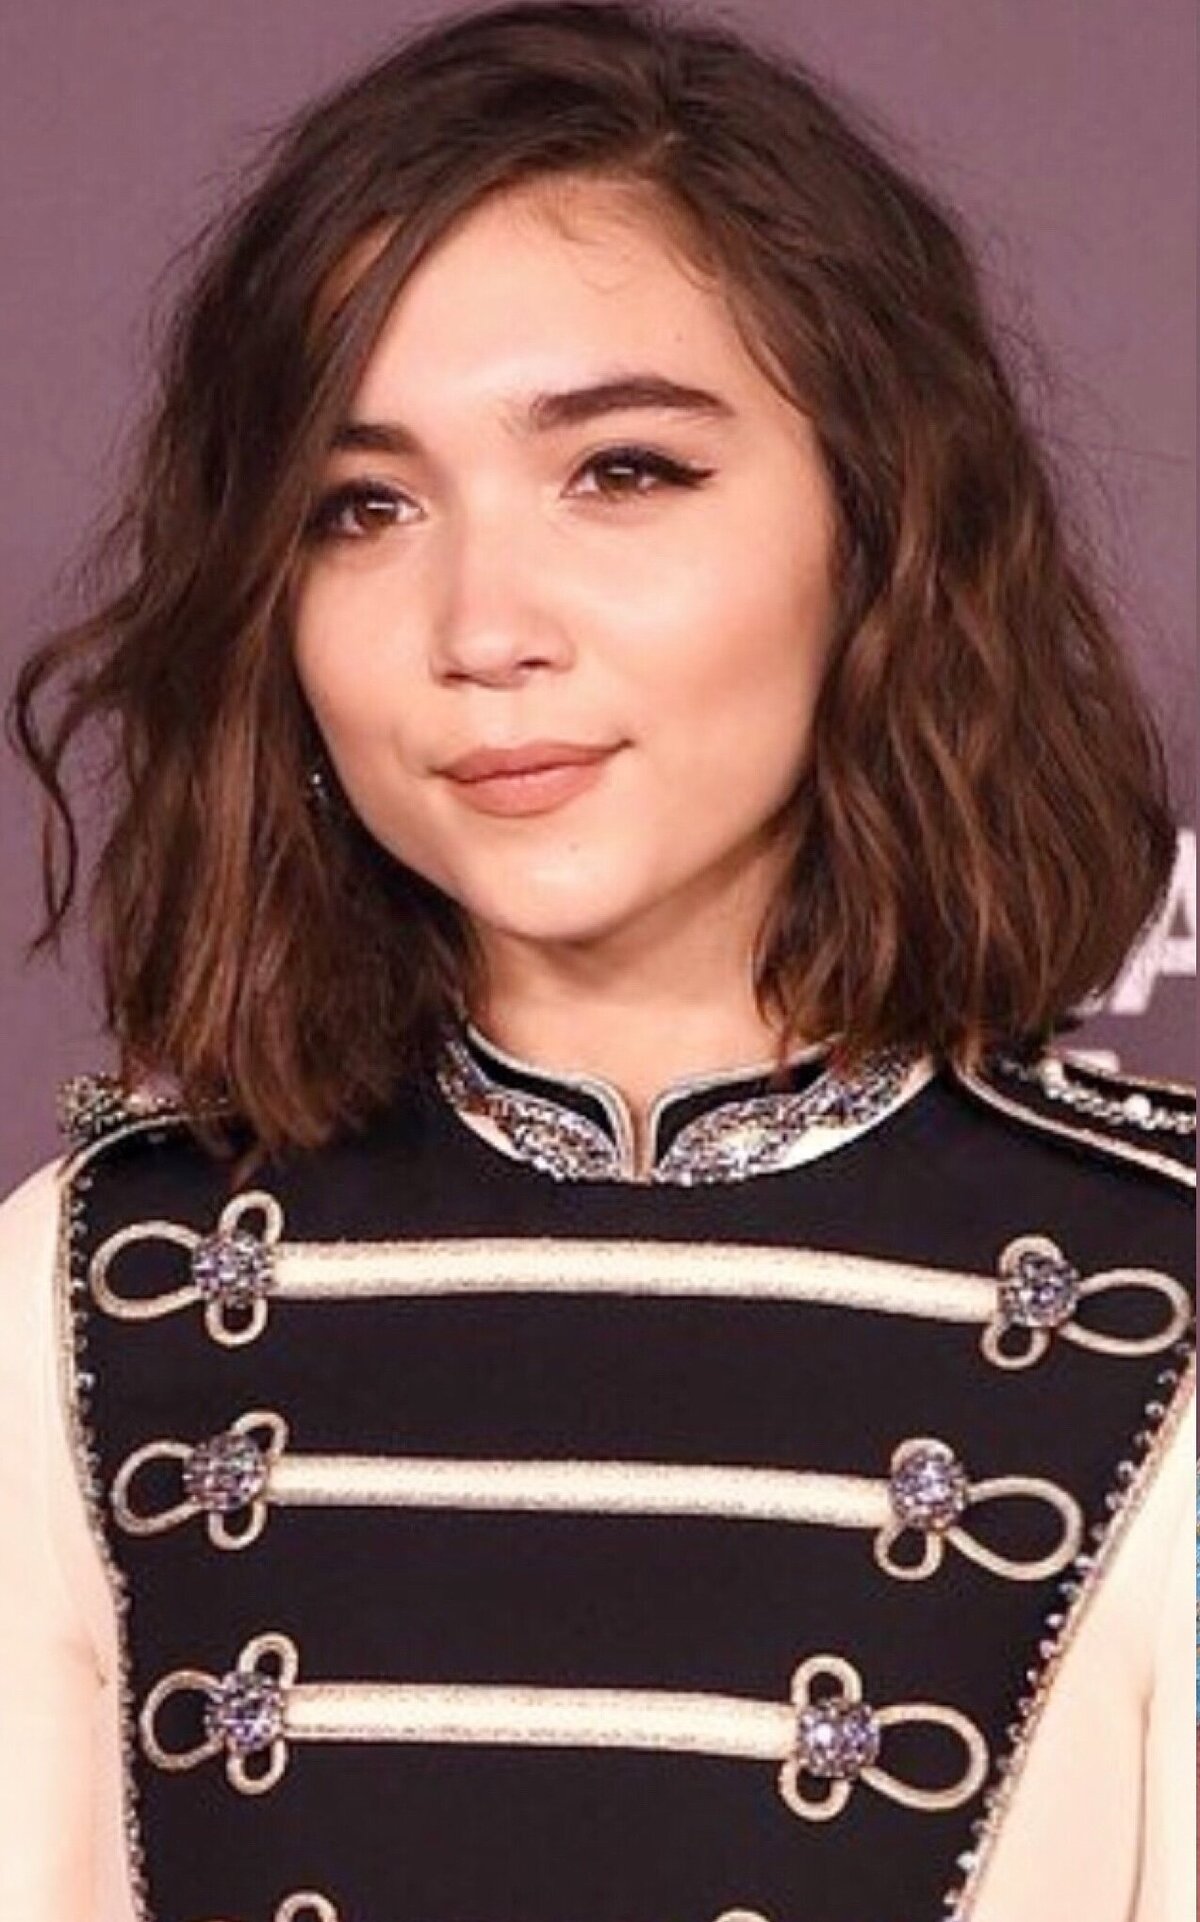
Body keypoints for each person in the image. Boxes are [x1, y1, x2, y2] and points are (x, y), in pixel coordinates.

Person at [0, 3, 1193, 1919]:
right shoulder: (84, 1284)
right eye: (361, 507)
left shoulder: (1169, 1283)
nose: (484, 626)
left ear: (876, 524)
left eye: (623, 471)